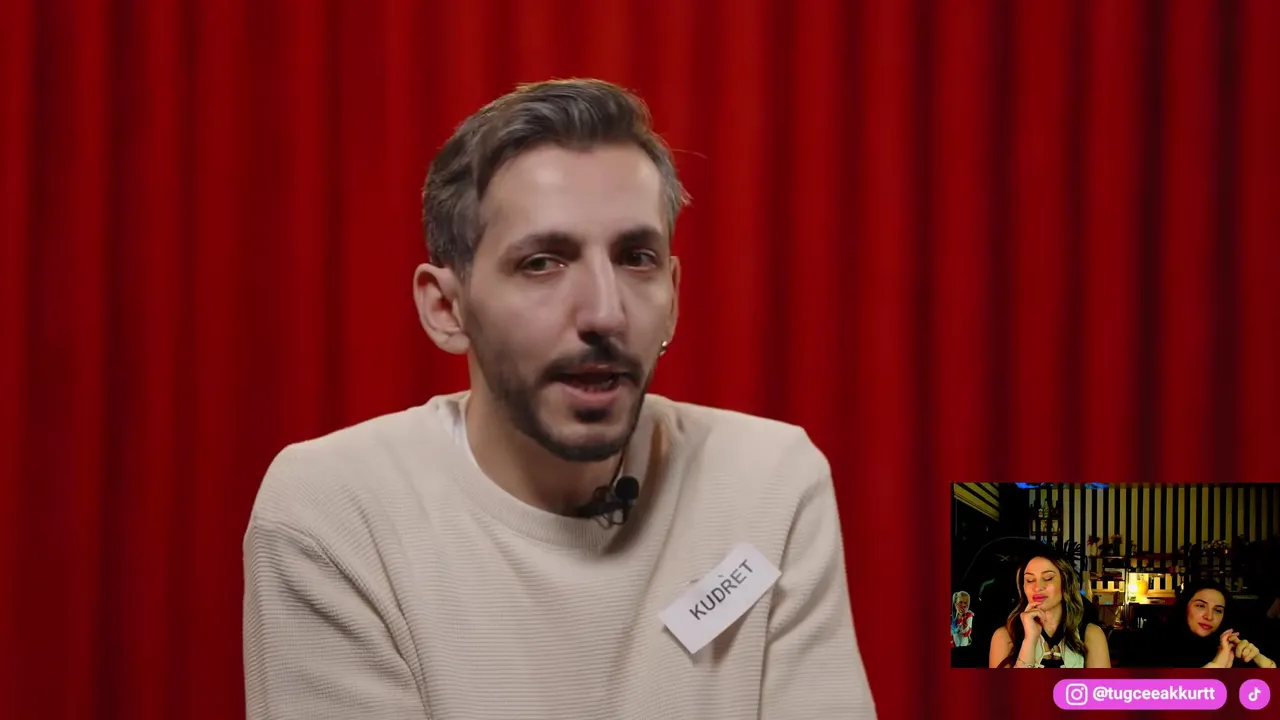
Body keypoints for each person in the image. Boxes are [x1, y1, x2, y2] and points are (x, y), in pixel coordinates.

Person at [242, 78, 875, 719]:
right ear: (446, 308)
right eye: (543, 262)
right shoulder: (335, 511)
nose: (605, 313)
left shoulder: (771, 482)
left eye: (636, 258)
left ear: (674, 298)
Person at [988, 553, 1111, 668]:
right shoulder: (1004, 637)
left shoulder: (1092, 635)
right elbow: (1008, 685)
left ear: (1065, 583)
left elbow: (1100, 684)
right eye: (1030, 580)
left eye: (1048, 578)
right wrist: (1029, 640)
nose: (1037, 587)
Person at [1129, 578, 1277, 669]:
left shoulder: (1229, 650)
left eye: (1218, 610)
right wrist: (1216, 667)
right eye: (1200, 606)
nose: (1209, 616)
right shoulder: (1151, 643)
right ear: (1184, 607)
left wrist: (1261, 662)